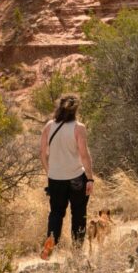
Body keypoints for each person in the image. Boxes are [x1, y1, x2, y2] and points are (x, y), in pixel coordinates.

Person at [39, 94, 95, 259]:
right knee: (78, 213)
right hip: (76, 177)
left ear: (59, 107)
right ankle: (77, 252)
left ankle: (49, 246)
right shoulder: (79, 128)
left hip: (55, 178)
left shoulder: (49, 126)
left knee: (56, 213)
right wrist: (90, 178)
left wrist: (49, 171)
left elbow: (42, 152)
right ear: (75, 109)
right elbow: (84, 155)